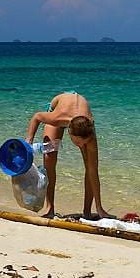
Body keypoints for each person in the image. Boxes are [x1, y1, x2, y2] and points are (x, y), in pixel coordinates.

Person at [26, 91, 112, 220]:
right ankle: (50, 209)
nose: (81, 146)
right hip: (59, 108)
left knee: (91, 168)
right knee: (49, 158)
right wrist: (29, 140)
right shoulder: (57, 118)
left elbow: (93, 172)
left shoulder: (89, 133)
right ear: (70, 133)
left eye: (84, 143)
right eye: (78, 142)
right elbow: (37, 117)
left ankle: (87, 212)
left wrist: (99, 207)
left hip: (80, 117)